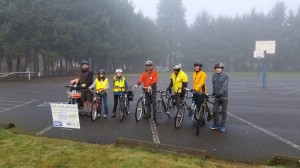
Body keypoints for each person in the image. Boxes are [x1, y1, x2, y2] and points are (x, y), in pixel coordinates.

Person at [210, 63, 229, 132]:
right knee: (214, 111)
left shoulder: (225, 76)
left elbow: (225, 86)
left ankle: (222, 125)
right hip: (217, 97)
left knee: (224, 112)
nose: (218, 69)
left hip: (224, 97)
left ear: (222, 69)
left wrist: (220, 93)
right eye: (216, 68)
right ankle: (216, 124)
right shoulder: (214, 75)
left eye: (219, 68)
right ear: (215, 69)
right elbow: (214, 85)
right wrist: (214, 92)